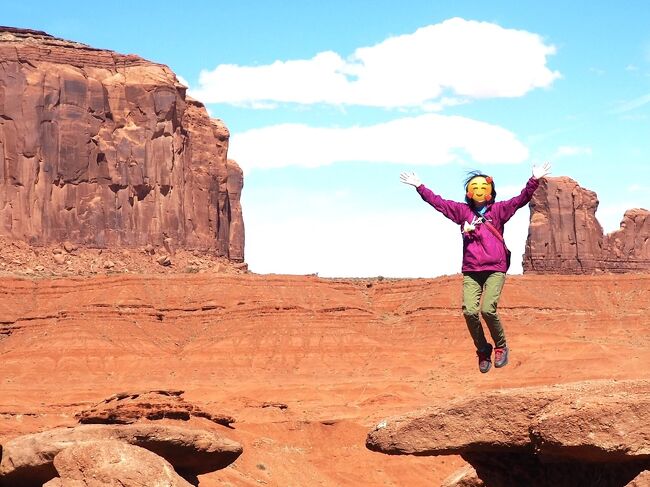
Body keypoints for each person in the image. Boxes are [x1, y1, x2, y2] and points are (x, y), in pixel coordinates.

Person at [399, 163, 551, 373]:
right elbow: (439, 203)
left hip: (495, 268)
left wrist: (534, 179)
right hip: (472, 269)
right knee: (469, 311)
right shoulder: (463, 212)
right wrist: (420, 186)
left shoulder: (498, 211)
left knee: (487, 309)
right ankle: (483, 349)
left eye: (483, 188)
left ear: (490, 192)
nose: (479, 191)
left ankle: (500, 346)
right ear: (469, 192)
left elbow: (520, 200)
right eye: (475, 188)